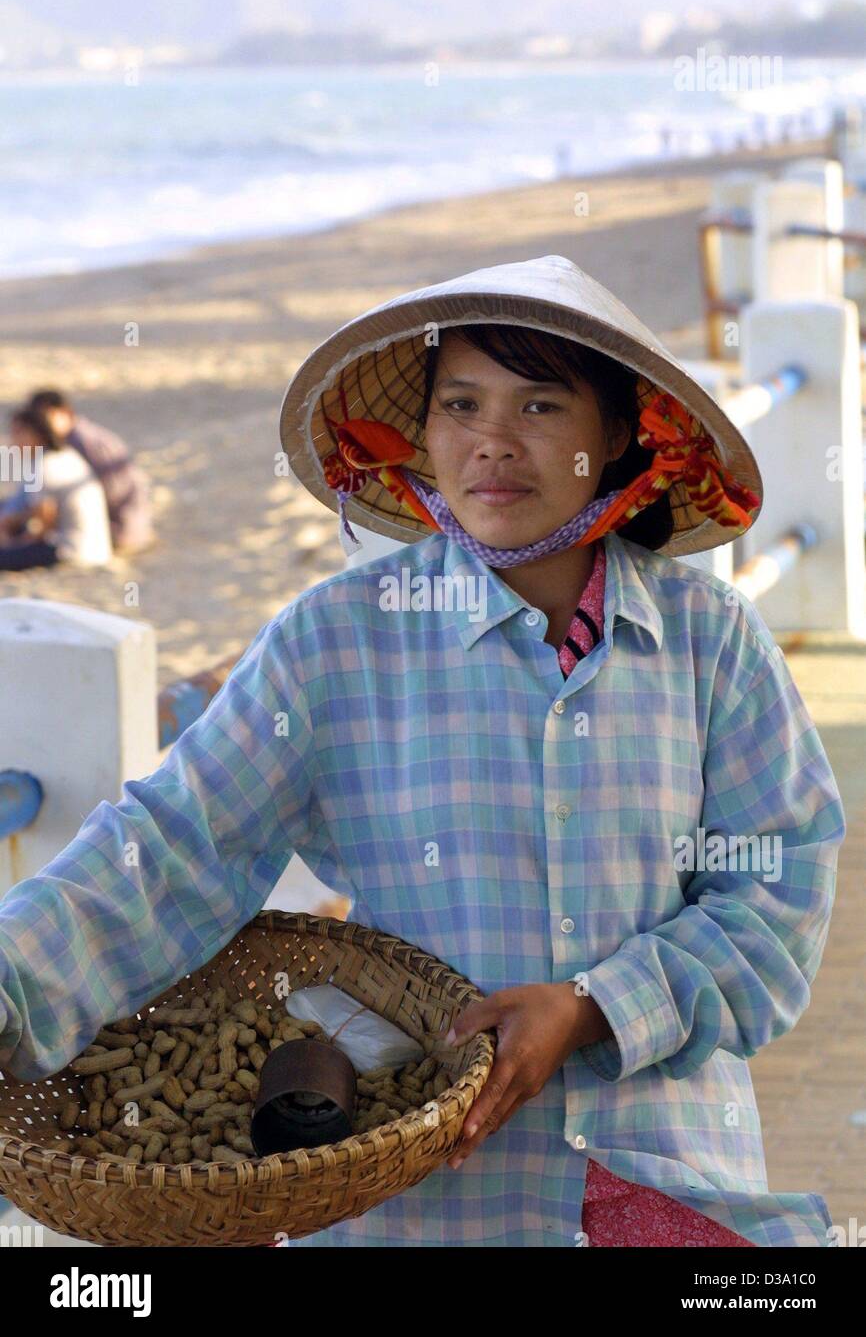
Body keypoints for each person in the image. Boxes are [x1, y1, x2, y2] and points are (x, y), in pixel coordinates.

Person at [0, 255, 845, 1248]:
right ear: (424, 431)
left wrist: (592, 1007)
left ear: (616, 435)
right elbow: (172, 842)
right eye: (460, 404)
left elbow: (778, 887)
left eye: (539, 407)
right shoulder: (333, 641)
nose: (491, 443)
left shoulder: (710, 641)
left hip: (658, 1169)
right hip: (419, 1196)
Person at [12, 389, 155, 556]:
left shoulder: (85, 443)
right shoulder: (62, 446)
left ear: (64, 412)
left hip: (115, 529)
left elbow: (112, 494)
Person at [0, 403, 113, 571]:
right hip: (94, 547)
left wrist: (13, 543)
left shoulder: (44, 466)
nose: (13, 440)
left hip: (72, 552)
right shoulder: (64, 455)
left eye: (19, 433)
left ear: (36, 435)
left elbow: (44, 526)